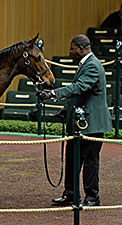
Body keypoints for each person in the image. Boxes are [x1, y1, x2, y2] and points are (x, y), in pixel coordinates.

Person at [37, 34, 112, 206]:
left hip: (92, 124)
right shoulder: (85, 64)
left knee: (90, 162)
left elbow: (80, 87)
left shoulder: (93, 65)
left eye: (72, 48)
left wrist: (53, 93)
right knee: (72, 159)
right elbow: (82, 94)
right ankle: (70, 194)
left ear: (81, 48)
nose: (70, 52)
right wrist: (65, 110)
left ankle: (93, 198)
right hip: (79, 122)